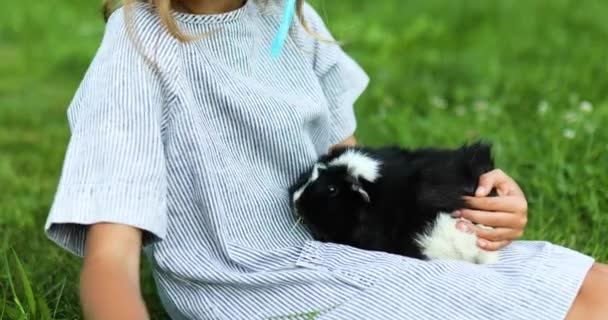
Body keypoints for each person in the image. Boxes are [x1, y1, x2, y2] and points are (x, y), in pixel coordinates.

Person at [44, 0, 608, 319]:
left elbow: (350, 167)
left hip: (345, 247)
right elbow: (111, 261)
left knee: (593, 287)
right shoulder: (137, 47)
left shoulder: (288, 17)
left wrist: (471, 199)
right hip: (256, 285)